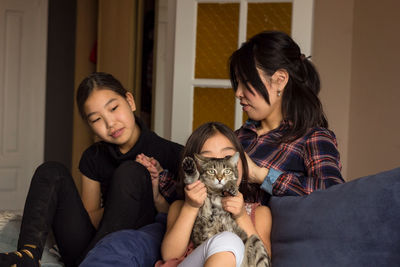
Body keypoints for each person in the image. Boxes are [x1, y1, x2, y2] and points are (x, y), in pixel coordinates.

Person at [0, 72, 183, 267]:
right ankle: (27, 256)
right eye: (96, 119)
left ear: (130, 101)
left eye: (114, 108)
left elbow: (180, 218)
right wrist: (121, 202)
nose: (110, 123)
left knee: (131, 172)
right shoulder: (93, 157)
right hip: (90, 245)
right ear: (90, 125)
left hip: (132, 249)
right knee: (51, 170)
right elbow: (89, 220)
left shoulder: (174, 154)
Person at [230, 31, 345, 201]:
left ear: (280, 80)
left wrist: (260, 175)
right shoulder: (238, 137)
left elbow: (333, 193)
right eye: (237, 83)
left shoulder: (311, 138)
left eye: (246, 82)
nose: (238, 93)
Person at [155, 122, 272, 267]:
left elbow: (263, 261)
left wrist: (241, 216)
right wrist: (191, 207)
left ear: (241, 161)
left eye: (228, 156)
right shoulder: (180, 207)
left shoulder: (259, 213)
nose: (219, 170)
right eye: (208, 160)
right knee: (228, 240)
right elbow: (170, 255)